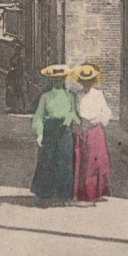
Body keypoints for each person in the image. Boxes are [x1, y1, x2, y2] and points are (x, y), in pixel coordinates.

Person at [30, 64, 80, 204]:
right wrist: (39, 133)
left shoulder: (71, 96)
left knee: (64, 160)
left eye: (61, 78)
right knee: (48, 159)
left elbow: (75, 113)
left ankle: (63, 194)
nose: (58, 81)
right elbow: (39, 115)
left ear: (64, 79)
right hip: (50, 130)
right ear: (51, 80)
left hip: (65, 131)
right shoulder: (45, 97)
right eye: (55, 79)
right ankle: (46, 192)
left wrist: (70, 117)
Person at [69, 64, 112, 203]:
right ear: (81, 82)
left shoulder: (98, 95)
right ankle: (82, 193)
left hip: (95, 131)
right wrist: (77, 124)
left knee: (95, 162)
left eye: (89, 81)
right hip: (82, 130)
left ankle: (94, 192)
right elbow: (74, 113)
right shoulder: (77, 96)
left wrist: (98, 120)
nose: (87, 84)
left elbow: (105, 112)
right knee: (82, 161)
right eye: (84, 81)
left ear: (93, 81)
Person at [5, 45, 29, 114]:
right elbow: (11, 63)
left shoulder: (21, 58)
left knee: (21, 92)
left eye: (16, 49)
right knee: (13, 92)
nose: (15, 50)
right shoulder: (15, 56)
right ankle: (15, 108)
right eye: (15, 49)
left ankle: (24, 109)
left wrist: (14, 68)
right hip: (14, 76)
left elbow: (21, 68)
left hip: (19, 76)